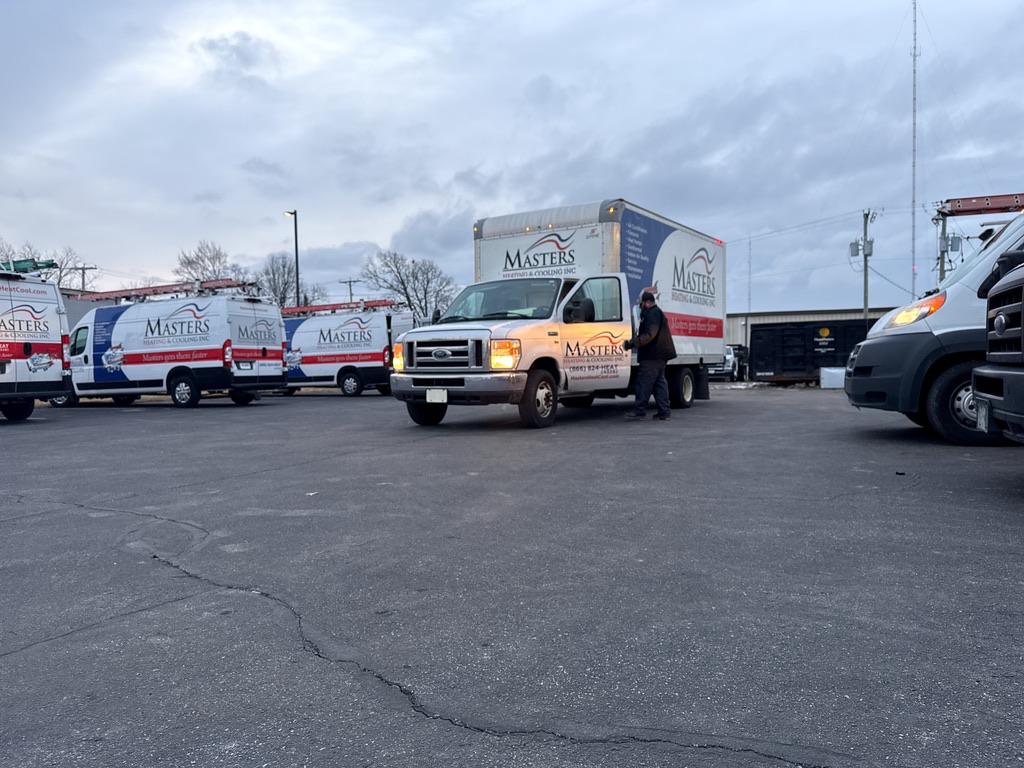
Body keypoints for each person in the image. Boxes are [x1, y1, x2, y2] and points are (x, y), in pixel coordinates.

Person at [621, 290, 677, 421]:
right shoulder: (656, 313)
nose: (640, 307)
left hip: (652, 355)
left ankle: (639, 411)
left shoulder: (652, 314)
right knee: (659, 384)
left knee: (643, 383)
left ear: (647, 302)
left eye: (641, 304)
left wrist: (632, 343)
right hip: (659, 355)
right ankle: (664, 412)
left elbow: (649, 334)